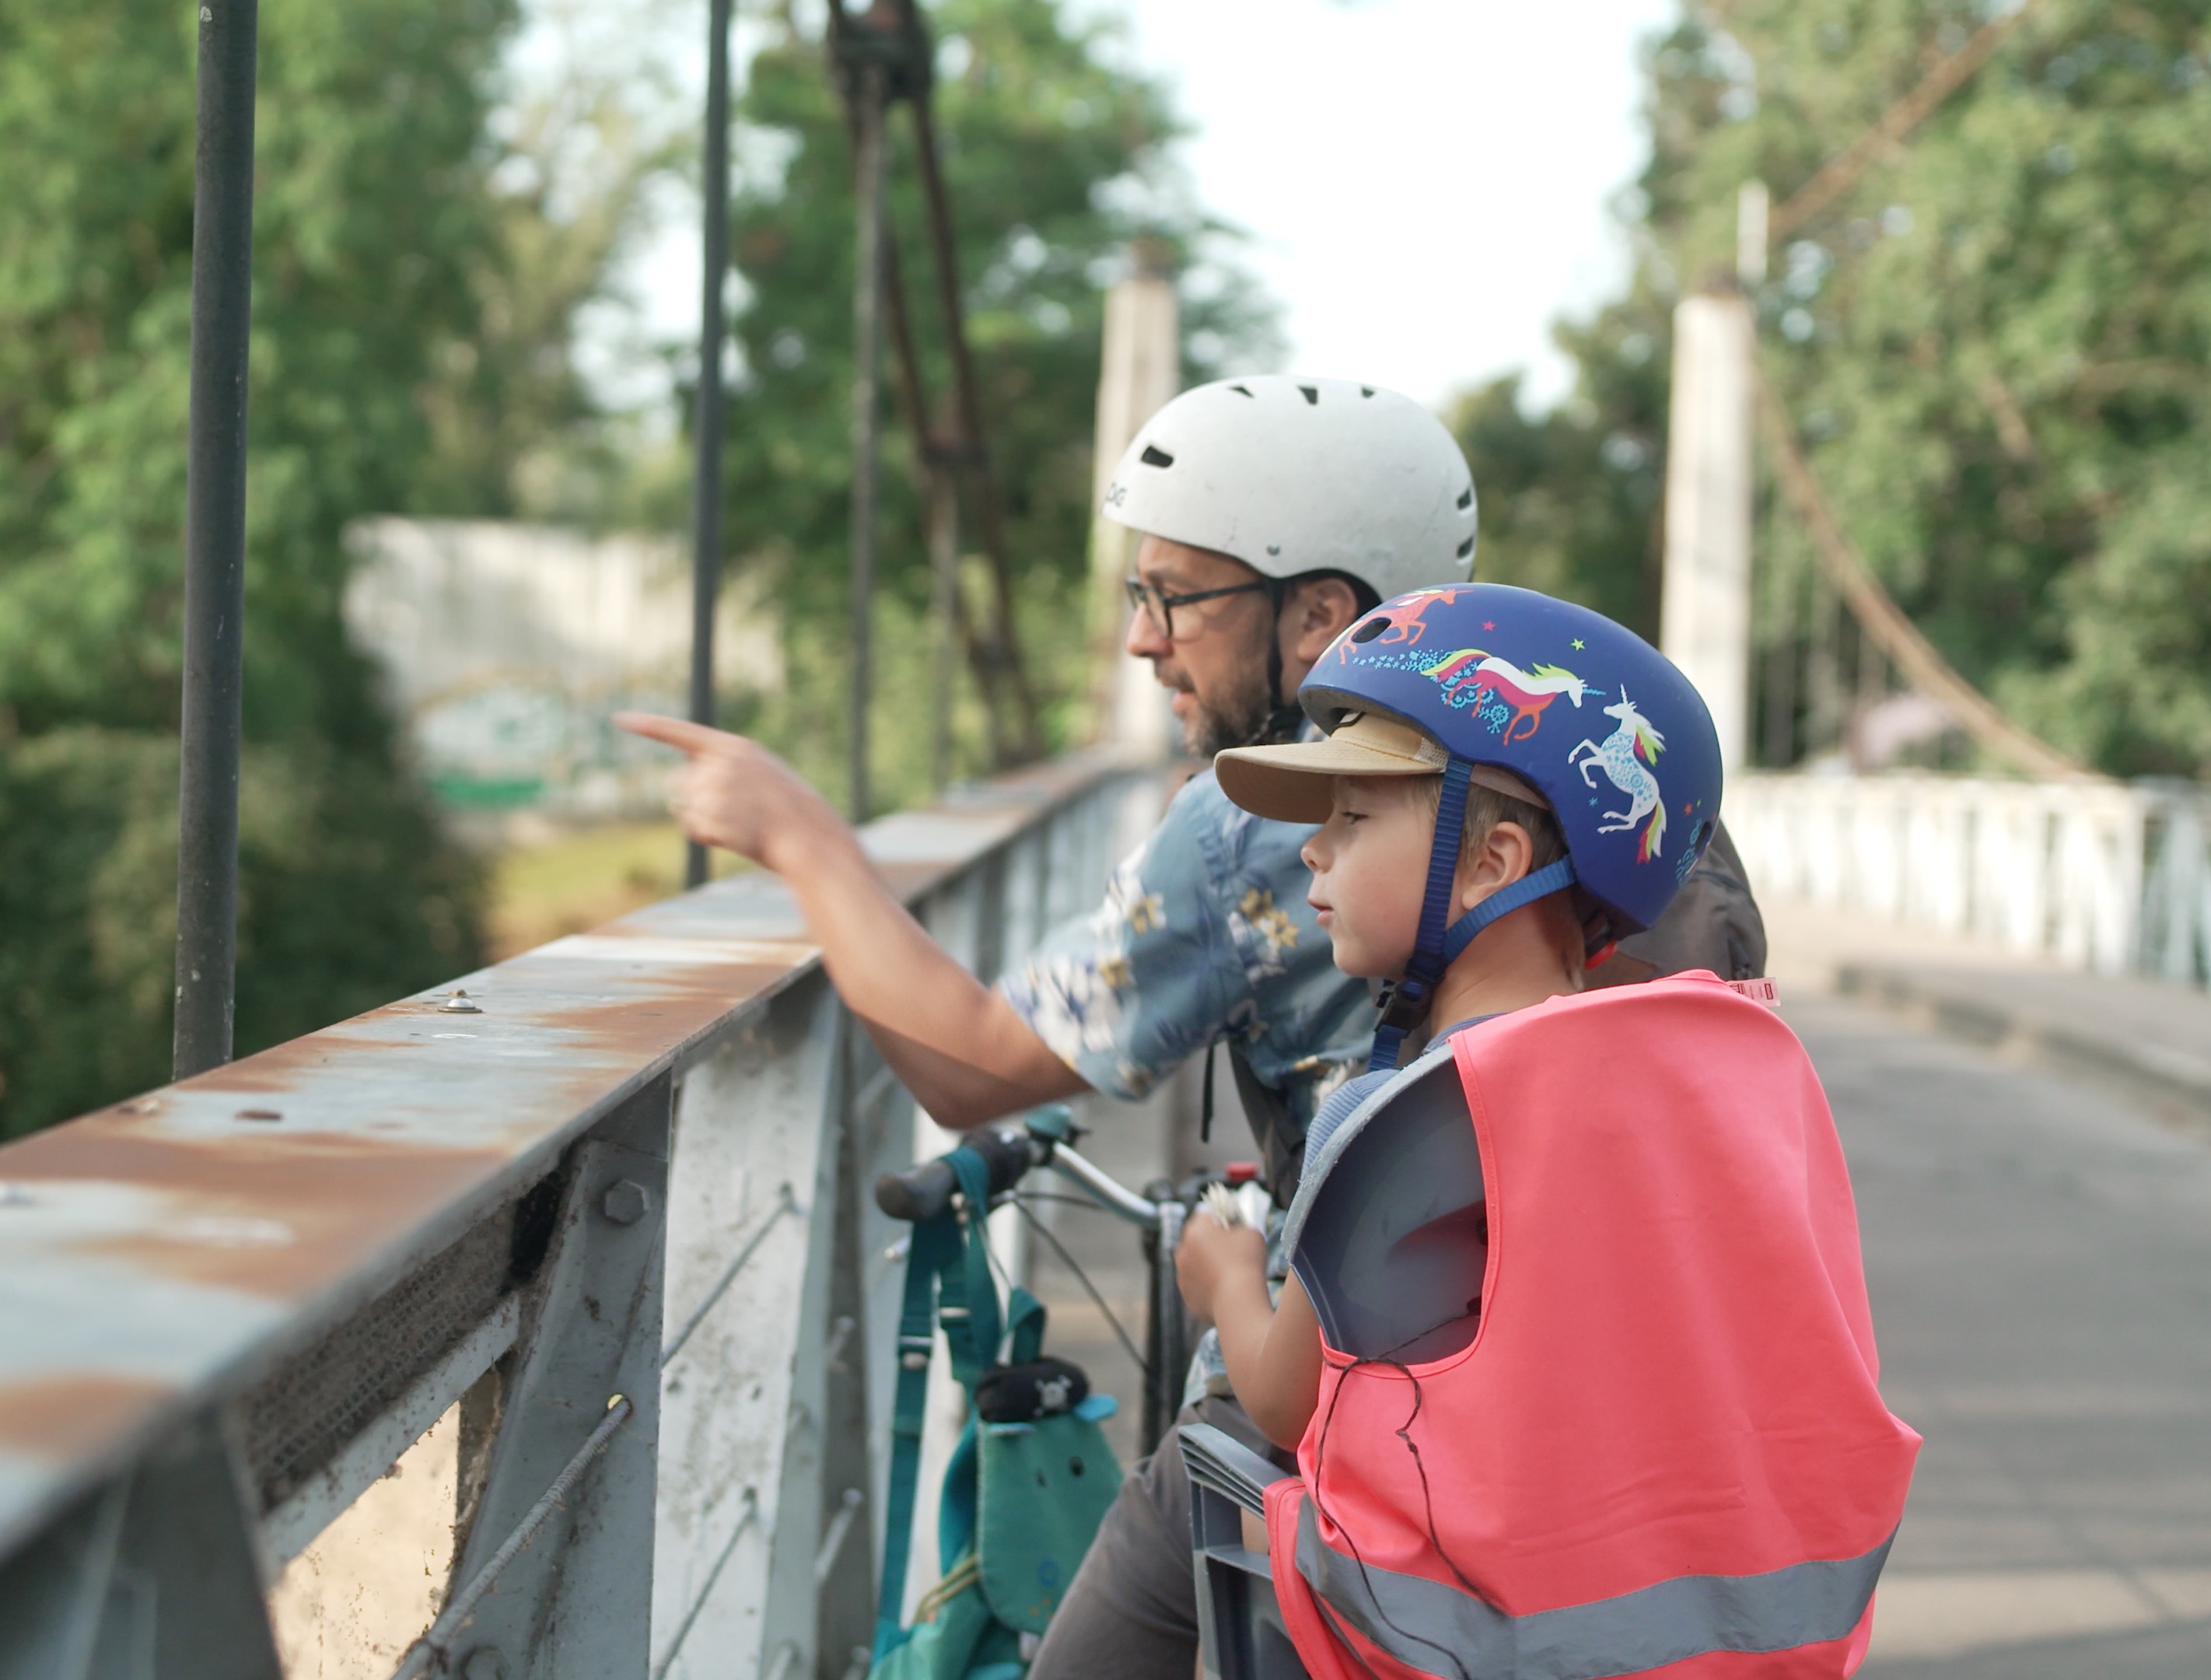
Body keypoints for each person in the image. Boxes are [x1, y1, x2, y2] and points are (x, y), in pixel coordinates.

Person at [617, 376, 1768, 1678]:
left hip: (1357, 1430)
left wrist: (797, 836)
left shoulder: (1254, 828)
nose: (1143, 641)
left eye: (1176, 595)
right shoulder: (1645, 824)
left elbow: (968, 1062)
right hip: (1613, 1425)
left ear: (1318, 617)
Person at [1176, 581, 1918, 1678]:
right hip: (1744, 1639)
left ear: (1494, 862)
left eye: (1353, 817)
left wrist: (1228, 1277)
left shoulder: (1404, 1111)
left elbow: (1285, 1398)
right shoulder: (1714, 1073)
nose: (1311, 856)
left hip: (1471, 1640)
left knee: (1191, 1481)